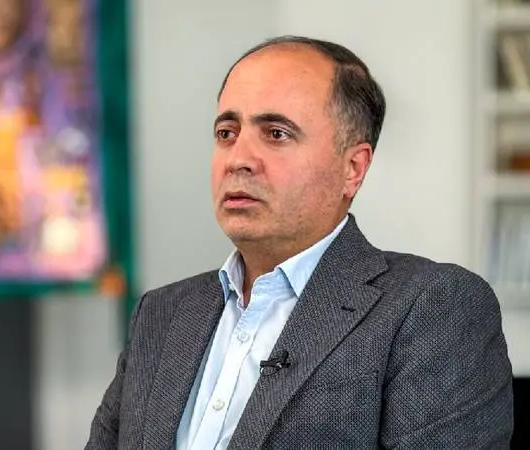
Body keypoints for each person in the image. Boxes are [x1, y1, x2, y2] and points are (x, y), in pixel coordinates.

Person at [86, 36, 513, 449]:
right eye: (227, 133)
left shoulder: (432, 306)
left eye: (276, 134)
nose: (238, 159)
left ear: (352, 168)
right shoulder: (161, 313)